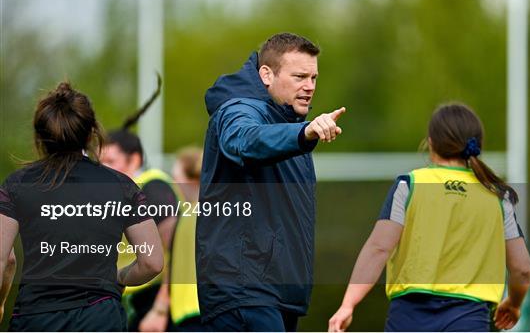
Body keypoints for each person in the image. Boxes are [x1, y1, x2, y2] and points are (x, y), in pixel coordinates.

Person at [328, 103, 530, 332]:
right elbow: (522, 269)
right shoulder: (497, 197)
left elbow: (378, 248)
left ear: (431, 142)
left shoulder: (409, 186)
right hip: (469, 319)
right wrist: (514, 304)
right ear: (476, 146)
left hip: (408, 318)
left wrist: (348, 304)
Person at [197, 32, 346, 331]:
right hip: (243, 289)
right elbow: (243, 140)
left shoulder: (287, 121)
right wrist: (303, 134)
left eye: (314, 78)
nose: (310, 87)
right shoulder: (240, 110)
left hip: (274, 292)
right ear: (266, 74)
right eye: (300, 76)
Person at [0, 82, 163, 331]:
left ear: (40, 135)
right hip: (100, 317)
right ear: (90, 134)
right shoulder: (121, 185)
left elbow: (5, 259)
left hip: (36, 317)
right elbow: (152, 262)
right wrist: (119, 277)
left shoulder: (16, 185)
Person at [100, 75, 181, 331]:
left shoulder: (152, 187)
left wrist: (160, 307)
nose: (103, 169)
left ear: (134, 160)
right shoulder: (120, 193)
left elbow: (177, 249)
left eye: (111, 162)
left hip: (155, 301)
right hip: (131, 298)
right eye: (100, 162)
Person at [168, 146, 205, 331]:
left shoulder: (196, 215)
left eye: (177, 179)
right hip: (190, 310)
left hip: (198, 310)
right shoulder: (187, 213)